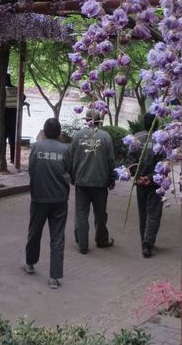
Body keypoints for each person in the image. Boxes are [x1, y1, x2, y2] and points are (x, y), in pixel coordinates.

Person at [23, 118, 71, 289]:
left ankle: (30, 263)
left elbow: (31, 170)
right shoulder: (65, 149)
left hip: (39, 197)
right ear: (59, 132)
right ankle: (54, 277)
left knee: (35, 231)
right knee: (57, 236)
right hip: (59, 198)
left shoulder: (36, 147)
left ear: (44, 131)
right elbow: (69, 171)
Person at [70, 109, 116, 254]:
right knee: (100, 213)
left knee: (81, 214)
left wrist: (72, 176)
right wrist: (112, 178)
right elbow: (111, 160)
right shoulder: (105, 137)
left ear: (86, 120)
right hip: (100, 182)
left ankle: (82, 244)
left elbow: (71, 158)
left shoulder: (77, 136)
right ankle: (102, 240)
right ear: (99, 121)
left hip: (82, 182)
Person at [128, 113, 165, 258]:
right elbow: (164, 162)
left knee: (143, 213)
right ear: (156, 124)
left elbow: (131, 159)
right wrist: (149, 178)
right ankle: (147, 244)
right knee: (153, 214)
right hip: (155, 183)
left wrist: (137, 177)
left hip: (140, 183)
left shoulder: (136, 138)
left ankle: (144, 240)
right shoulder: (161, 139)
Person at [0, 74, 29, 165]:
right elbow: (23, 97)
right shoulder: (16, 90)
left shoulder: (1, 91)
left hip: (3, 120)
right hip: (14, 119)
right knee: (12, 140)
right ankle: (12, 159)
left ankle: (1, 158)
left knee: (2, 140)